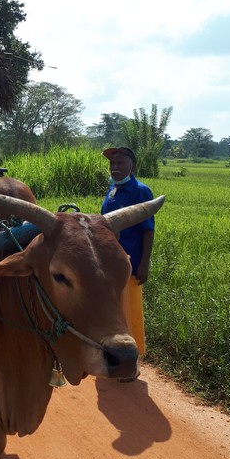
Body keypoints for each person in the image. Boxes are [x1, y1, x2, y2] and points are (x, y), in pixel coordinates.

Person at [101, 146, 155, 368]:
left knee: (128, 314)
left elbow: (148, 229)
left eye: (120, 163)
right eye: (112, 164)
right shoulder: (112, 189)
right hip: (110, 263)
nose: (115, 168)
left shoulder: (140, 191)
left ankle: (130, 364)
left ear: (131, 165)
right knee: (113, 312)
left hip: (130, 264)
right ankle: (111, 355)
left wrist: (144, 263)